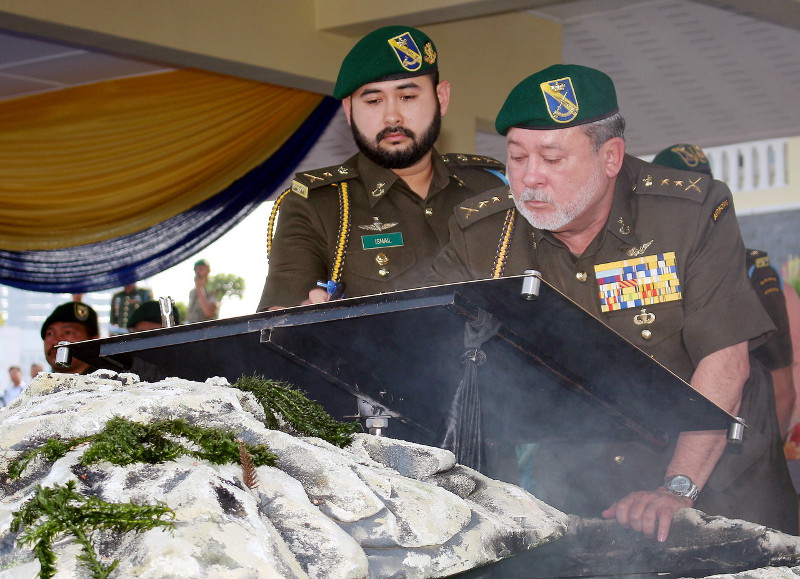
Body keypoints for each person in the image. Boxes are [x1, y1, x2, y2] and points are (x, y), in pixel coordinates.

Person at [428, 64, 797, 538]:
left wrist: (676, 488)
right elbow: (421, 330)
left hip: (713, 473)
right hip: (585, 477)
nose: (529, 178)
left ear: (611, 157)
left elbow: (723, 360)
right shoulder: (484, 231)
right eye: (517, 157)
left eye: (553, 158)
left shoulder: (689, 212)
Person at [256, 25, 506, 311]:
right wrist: (302, 314)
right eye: (374, 101)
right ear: (349, 111)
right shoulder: (319, 206)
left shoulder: (492, 189)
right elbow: (279, 322)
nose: (392, 116)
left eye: (408, 97)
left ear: (441, 98)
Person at [653, 143, 797, 436]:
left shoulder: (751, 271)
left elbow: (783, 389)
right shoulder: (642, 271)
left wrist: (761, 469)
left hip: (733, 458)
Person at [41, 301, 100, 374]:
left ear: (93, 341)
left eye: (68, 332)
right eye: (50, 333)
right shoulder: (39, 384)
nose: (56, 341)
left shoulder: (109, 383)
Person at [186, 259, 219, 323]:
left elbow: (208, 312)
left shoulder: (214, 288)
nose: (198, 272)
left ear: (208, 270)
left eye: (201, 269)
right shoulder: (192, 292)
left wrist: (200, 288)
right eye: (196, 270)